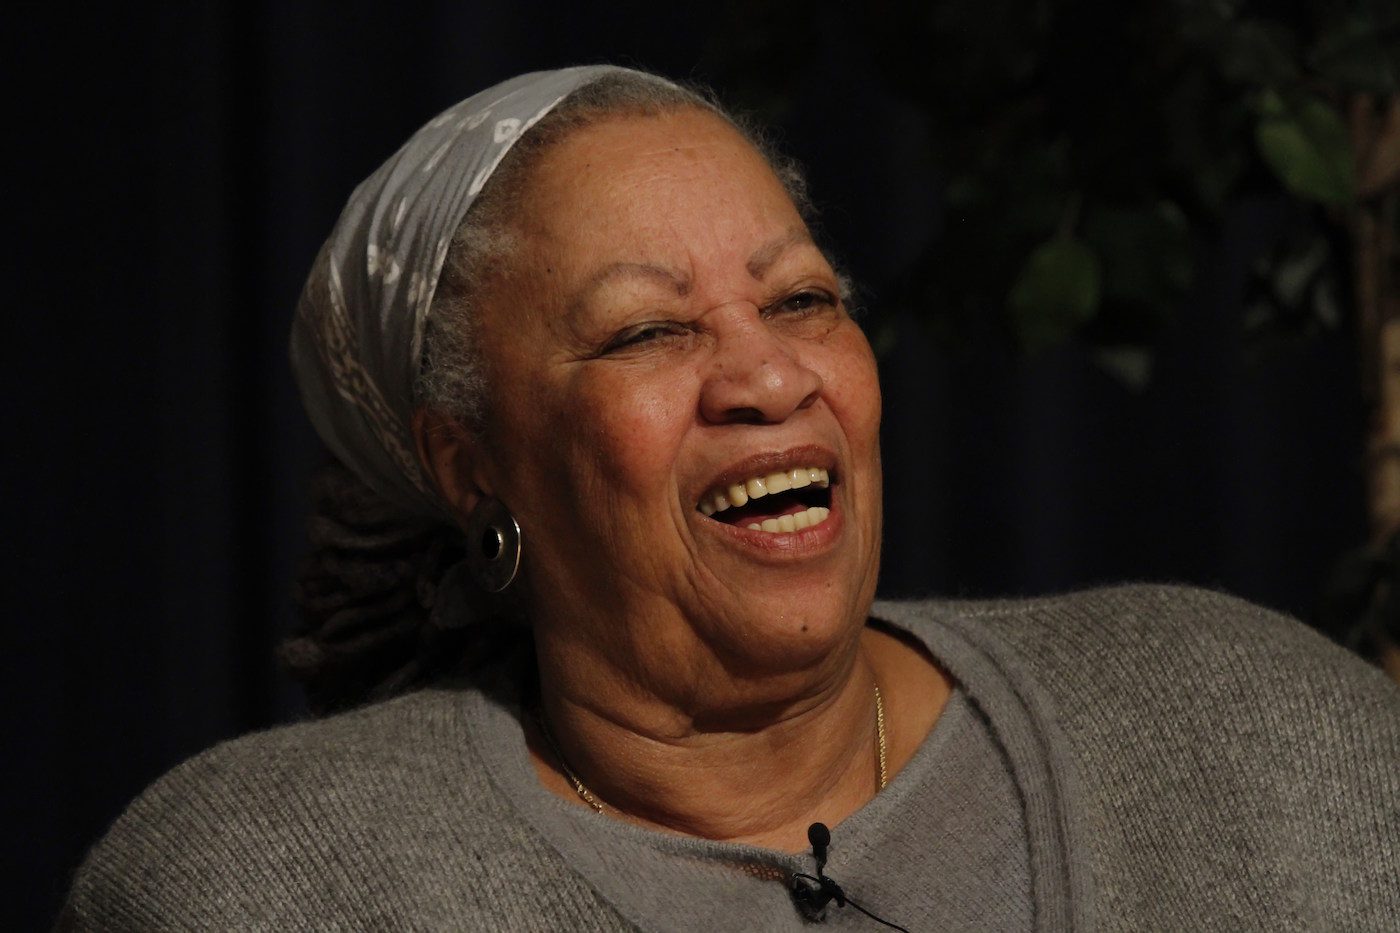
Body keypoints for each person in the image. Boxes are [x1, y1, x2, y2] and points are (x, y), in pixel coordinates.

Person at [61, 65, 1399, 932]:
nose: (767, 372)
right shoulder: (261, 884)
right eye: (648, 330)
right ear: (473, 462)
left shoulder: (1266, 734)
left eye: (804, 298)